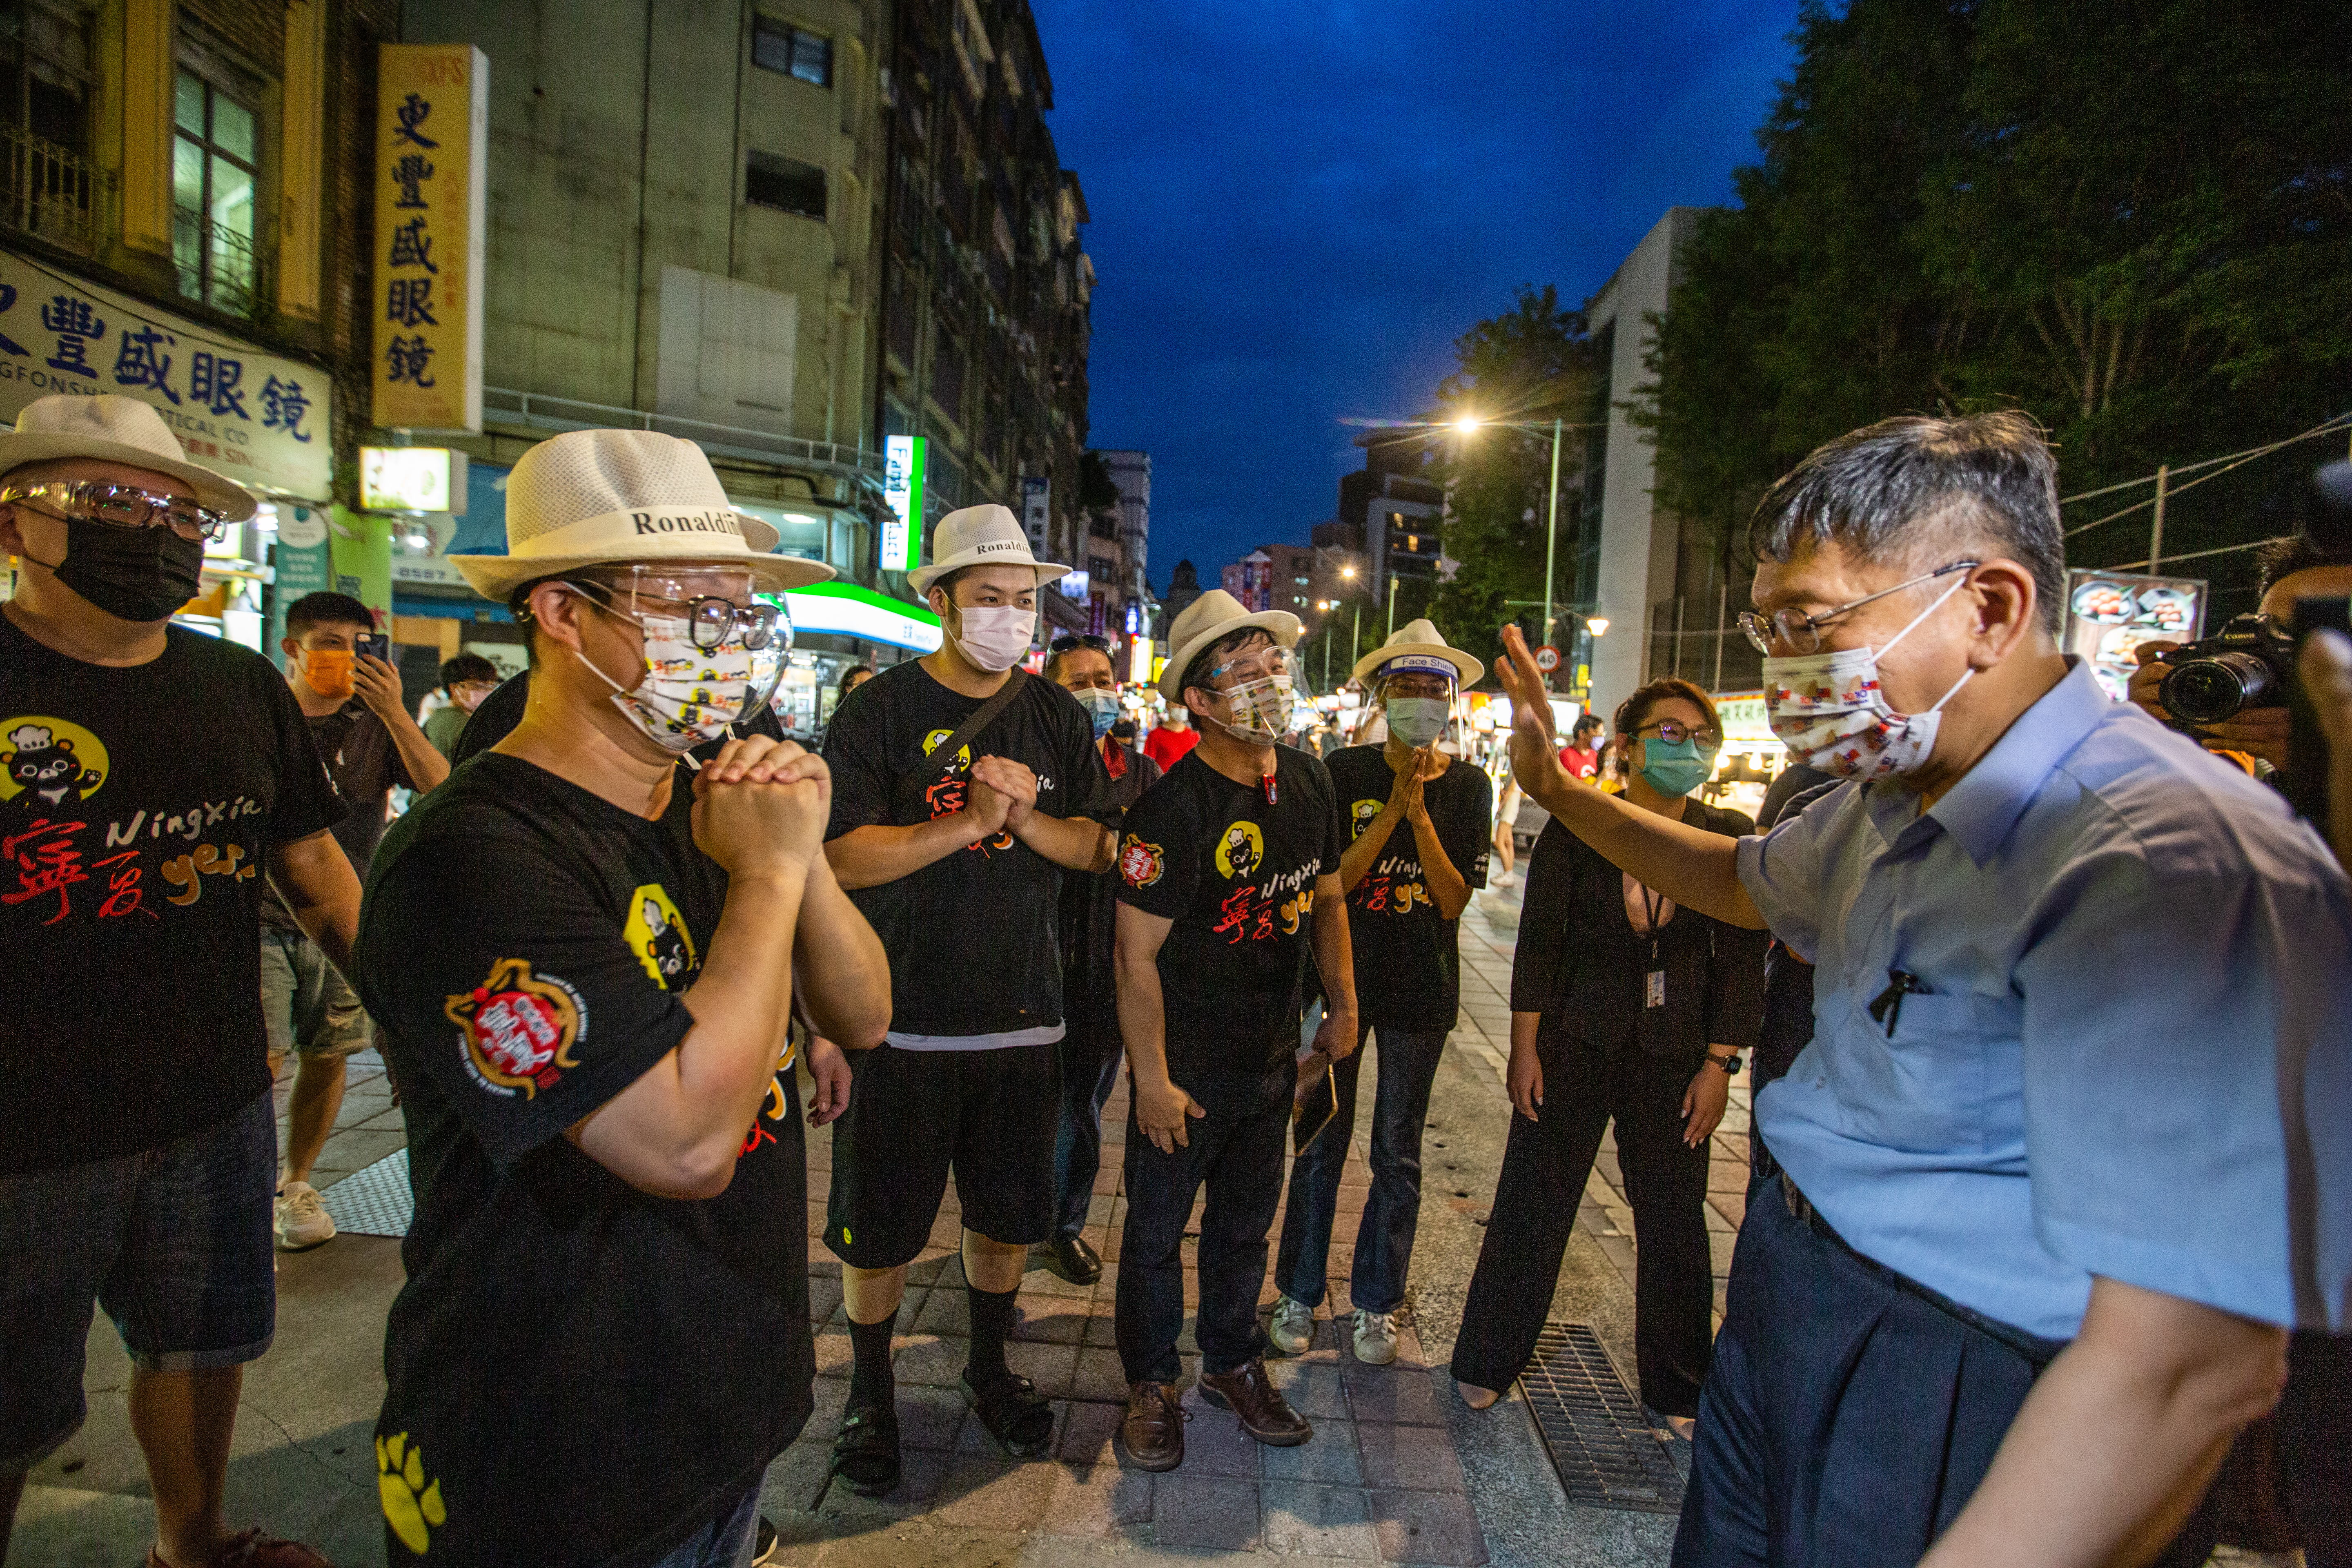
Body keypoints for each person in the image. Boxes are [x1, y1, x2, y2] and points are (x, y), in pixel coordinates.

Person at [1494, 411, 2349, 1568]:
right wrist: (1564, 791)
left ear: (1989, 609)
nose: (1784, 670)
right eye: (1769, 629)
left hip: (1964, 1361)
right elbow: (1743, 884)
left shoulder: (2163, 856)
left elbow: (2189, 1359)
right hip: (1791, 1290)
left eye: (1814, 626)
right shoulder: (1883, 796)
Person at [352, 429, 886, 1568]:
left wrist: (801, 852)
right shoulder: (476, 858)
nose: (727, 644)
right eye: (689, 605)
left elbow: (861, 1013)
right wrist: (771, 872)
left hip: (719, 1411)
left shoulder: (713, 797)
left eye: (742, 614)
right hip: (550, 1446)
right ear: (561, 615)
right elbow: (684, 1141)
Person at [0, 394, 360, 1568]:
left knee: (204, 1346)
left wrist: (416, 1005)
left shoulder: (236, 687)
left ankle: (194, 1546)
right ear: (16, 526)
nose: (151, 528)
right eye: (105, 501)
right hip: (20, 1136)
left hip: (210, 1105)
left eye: (176, 509)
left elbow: (314, 872)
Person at [819, 504, 1118, 1493]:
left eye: (1022, 599)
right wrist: (964, 823)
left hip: (1024, 1016)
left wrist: (1022, 818)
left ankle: (990, 1367)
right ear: (940, 600)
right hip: (895, 1020)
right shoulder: (878, 712)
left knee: (1003, 1220)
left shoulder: (1057, 719)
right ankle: (870, 1392)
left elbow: (1095, 845)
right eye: (986, 597)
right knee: (880, 1227)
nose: (1007, 615)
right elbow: (840, 856)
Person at [1453, 677, 1764, 1433]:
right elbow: (1540, 945)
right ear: (1624, 747)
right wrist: (1524, 1049)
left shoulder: (1725, 835)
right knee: (1534, 1200)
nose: (1686, 747)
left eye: (1699, 736)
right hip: (1575, 1039)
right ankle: (1488, 1360)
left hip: (1675, 1053)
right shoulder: (1580, 827)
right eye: (1669, 732)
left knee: (1673, 1219)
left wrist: (1720, 1063)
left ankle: (1678, 1382)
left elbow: (1742, 957)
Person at [1111, 590, 1358, 1471]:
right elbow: (1133, 956)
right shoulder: (1170, 812)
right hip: (1184, 1076)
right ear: (1200, 702)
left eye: (1273, 664)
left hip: (1270, 1065)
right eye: (1240, 672)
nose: (1266, 683)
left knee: (1245, 1230)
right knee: (1152, 1234)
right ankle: (1149, 1382)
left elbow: (1326, 899)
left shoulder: (1312, 779)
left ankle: (1230, 1362)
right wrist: (1150, 1078)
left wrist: (1343, 1004)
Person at [1270, 621, 1490, 1365]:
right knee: (1321, 1142)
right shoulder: (1343, 772)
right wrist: (1393, 807)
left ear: (1453, 701)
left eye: (1436, 690)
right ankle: (1299, 1291)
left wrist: (1422, 813)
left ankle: (1377, 1304)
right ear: (1381, 696)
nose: (1423, 702)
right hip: (1339, 990)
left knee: (1398, 1152)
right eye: (1408, 689)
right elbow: (1336, 884)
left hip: (1421, 994)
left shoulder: (1469, 785)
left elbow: (1454, 899)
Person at [261, 592, 450, 1251]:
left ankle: (296, 1182)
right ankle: (242, 1180)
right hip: (259, 917)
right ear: (294, 649)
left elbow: (445, 791)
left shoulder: (373, 726)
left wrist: (395, 711)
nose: (346, 657)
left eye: (358, 644)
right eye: (330, 643)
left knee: (328, 1052)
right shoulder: (265, 715)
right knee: (263, 1054)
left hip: (348, 918)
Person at [1039, 631, 1162, 1284]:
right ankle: (1009, 1221)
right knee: (1031, 1106)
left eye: (1102, 678)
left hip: (1107, 968)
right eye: (1077, 681)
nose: (1095, 692)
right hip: (1033, 962)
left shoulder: (1141, 775)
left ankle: (1062, 1226)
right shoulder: (1033, 769)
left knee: (1080, 1105)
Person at [421, 653, 499, 759]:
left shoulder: (434, 720)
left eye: (490, 686)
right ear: (454, 689)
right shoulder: (469, 727)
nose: (486, 692)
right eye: (477, 686)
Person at [1142, 699, 1198, 771]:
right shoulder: (1155, 736)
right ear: (1167, 705)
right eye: (1177, 703)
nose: (1181, 707)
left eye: (1185, 704)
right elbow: (1147, 768)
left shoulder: (1195, 736)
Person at [1559, 712, 1604, 781]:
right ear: (1582, 733)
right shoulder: (1566, 757)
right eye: (1598, 733)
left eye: (1602, 734)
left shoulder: (1595, 756)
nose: (1601, 737)